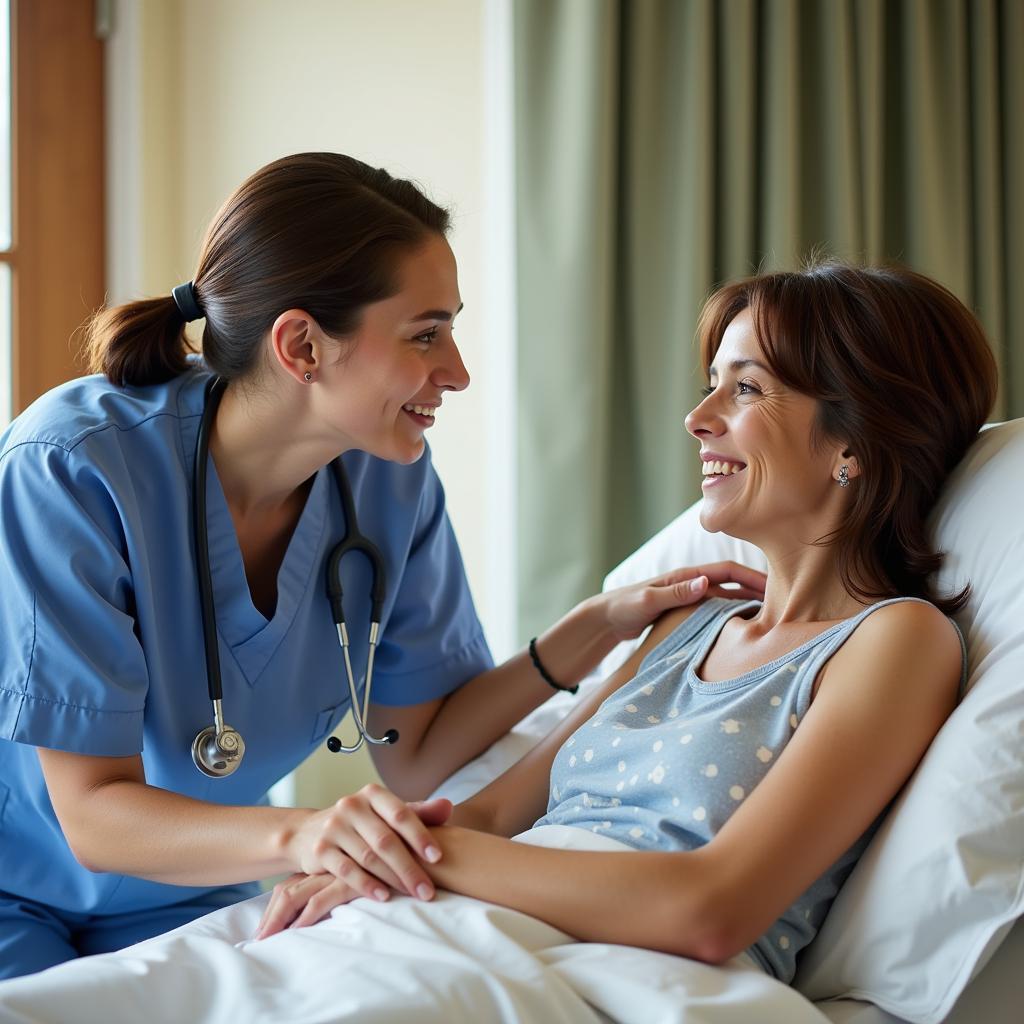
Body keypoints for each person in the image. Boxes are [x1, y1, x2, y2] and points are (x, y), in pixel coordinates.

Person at [0, 152, 766, 980]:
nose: (459, 371)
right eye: (425, 334)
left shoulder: (386, 482)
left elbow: (418, 749)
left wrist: (586, 635)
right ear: (301, 346)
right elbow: (93, 817)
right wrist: (305, 834)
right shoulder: (71, 468)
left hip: (189, 896)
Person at [255, 261, 998, 982]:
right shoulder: (688, 627)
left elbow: (710, 910)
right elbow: (486, 815)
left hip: (629, 975)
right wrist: (365, 850)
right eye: (712, 387)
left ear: (854, 443)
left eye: (746, 388)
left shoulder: (894, 641)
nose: (698, 419)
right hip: (461, 921)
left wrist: (416, 856)